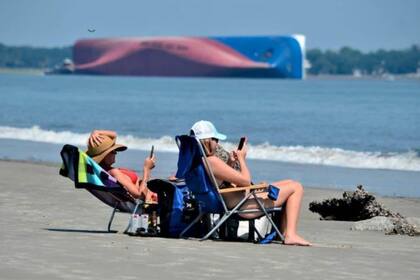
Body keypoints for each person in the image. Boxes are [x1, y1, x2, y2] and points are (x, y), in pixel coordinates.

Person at [190, 120, 311, 246]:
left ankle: (284, 232)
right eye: (216, 139)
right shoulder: (212, 161)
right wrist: (242, 159)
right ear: (208, 141)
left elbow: (220, 181)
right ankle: (290, 234)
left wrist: (231, 163)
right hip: (242, 207)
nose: (217, 143)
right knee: (296, 187)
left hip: (234, 200)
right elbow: (246, 181)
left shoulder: (198, 162)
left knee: (288, 182)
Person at [86, 130, 156, 201]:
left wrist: (96, 132)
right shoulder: (114, 172)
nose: (116, 153)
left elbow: (114, 134)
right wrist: (147, 169)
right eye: (113, 151)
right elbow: (138, 194)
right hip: (154, 198)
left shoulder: (102, 172)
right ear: (105, 155)